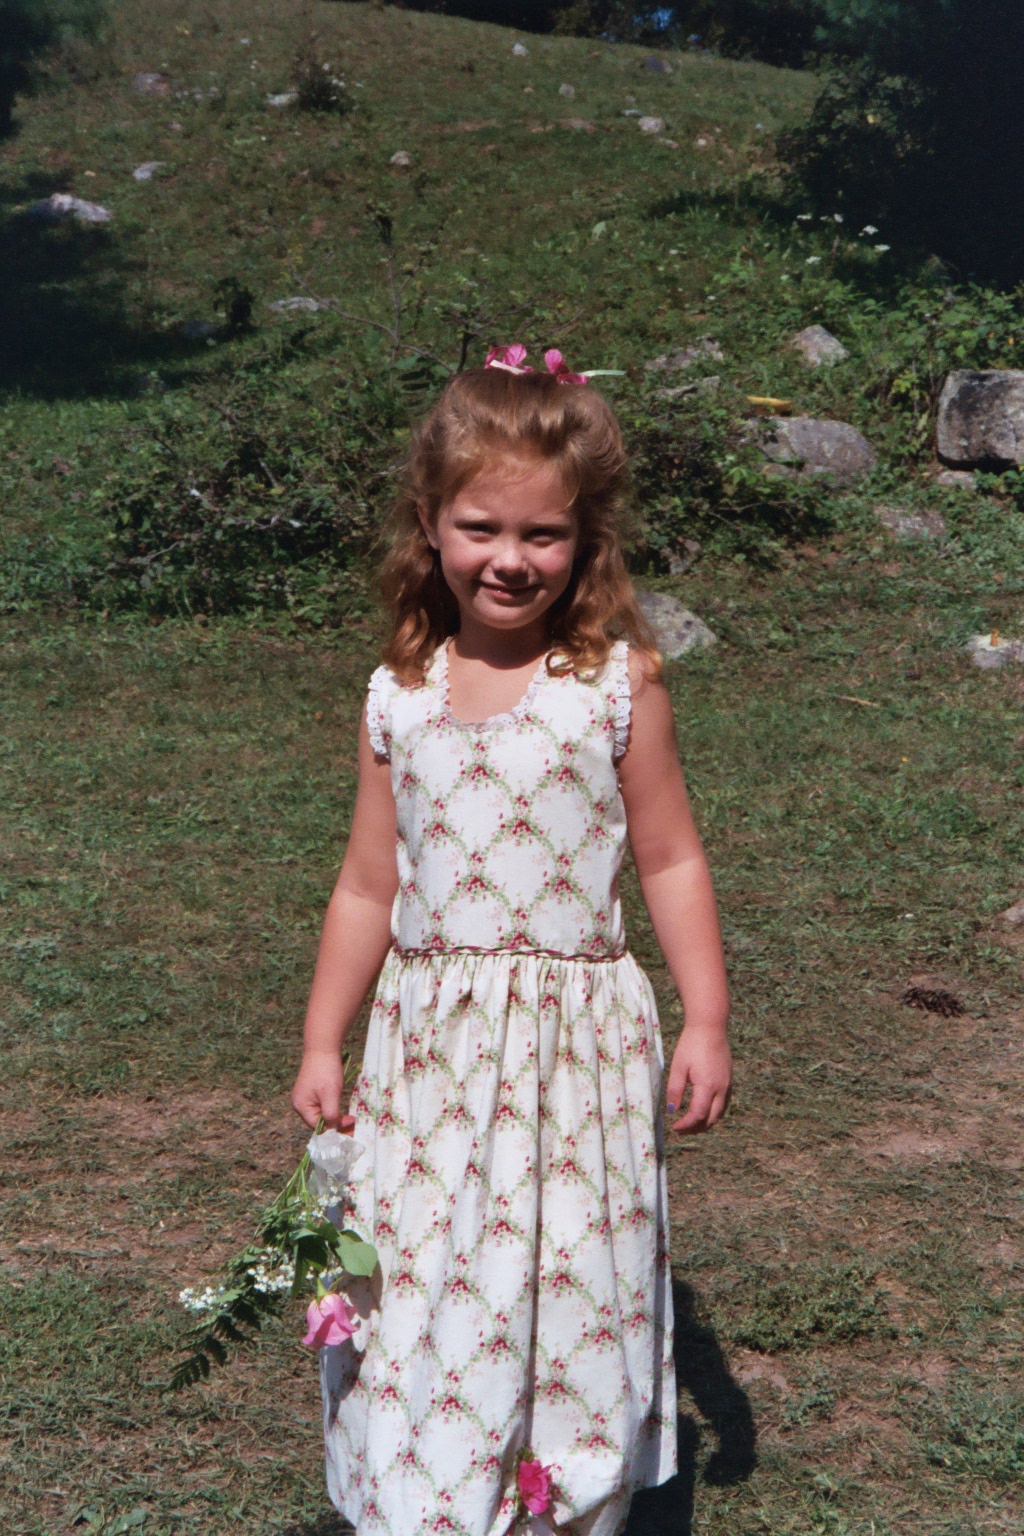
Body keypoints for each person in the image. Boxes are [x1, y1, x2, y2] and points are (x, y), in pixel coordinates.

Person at [290, 345, 732, 1536]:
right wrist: (324, 1038)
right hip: (430, 1053)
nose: (511, 558)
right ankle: (428, 1491)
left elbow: (670, 858)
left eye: (544, 534)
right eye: (481, 527)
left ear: (585, 540)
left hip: (572, 1058)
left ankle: (556, 1498)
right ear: (430, 524)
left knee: (566, 1274)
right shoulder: (399, 693)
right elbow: (367, 885)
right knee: (426, 1273)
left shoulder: (616, 686)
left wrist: (705, 1017)